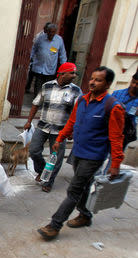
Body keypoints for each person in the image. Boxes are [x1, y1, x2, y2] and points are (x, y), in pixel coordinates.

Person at [37, 66, 125, 240]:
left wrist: (115, 164)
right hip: (77, 152)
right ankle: (85, 214)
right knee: (84, 186)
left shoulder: (112, 107)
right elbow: (72, 121)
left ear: (107, 84)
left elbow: (117, 139)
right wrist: (60, 138)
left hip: (93, 156)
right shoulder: (83, 100)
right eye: (92, 78)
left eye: (98, 80)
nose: (92, 82)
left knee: (74, 190)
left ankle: (54, 225)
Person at [24, 62, 82, 193]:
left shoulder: (76, 90)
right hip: (43, 126)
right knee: (33, 150)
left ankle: (49, 181)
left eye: (74, 73)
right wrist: (29, 121)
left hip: (60, 131)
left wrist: (73, 130)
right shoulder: (47, 86)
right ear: (62, 74)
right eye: (71, 73)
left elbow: (78, 111)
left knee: (56, 157)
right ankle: (43, 171)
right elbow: (35, 103)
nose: (74, 75)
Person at [30, 23, 67, 96]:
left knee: (47, 87)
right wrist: (30, 58)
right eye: (49, 31)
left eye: (53, 32)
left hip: (50, 68)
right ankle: (36, 101)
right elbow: (34, 49)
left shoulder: (59, 40)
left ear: (55, 32)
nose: (51, 33)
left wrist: (64, 67)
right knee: (38, 85)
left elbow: (62, 53)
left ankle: (44, 102)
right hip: (39, 67)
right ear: (47, 31)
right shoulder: (41, 38)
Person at [25, 22, 51, 93]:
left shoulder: (53, 37)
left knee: (41, 79)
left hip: (45, 63)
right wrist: (32, 57)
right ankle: (28, 87)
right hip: (36, 60)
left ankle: (39, 92)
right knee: (32, 75)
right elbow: (34, 47)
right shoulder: (39, 36)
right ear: (45, 29)